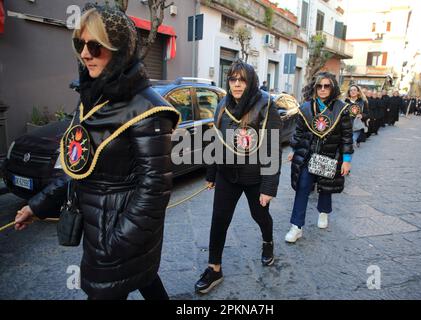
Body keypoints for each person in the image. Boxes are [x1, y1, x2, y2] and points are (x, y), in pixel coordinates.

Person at [14, 4, 180, 300]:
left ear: (119, 49)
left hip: (114, 241)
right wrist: (37, 206)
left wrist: (116, 243)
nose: (85, 53)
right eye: (80, 44)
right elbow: (80, 168)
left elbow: (155, 188)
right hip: (100, 232)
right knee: (146, 280)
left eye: (95, 45)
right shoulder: (93, 100)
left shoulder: (148, 109)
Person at [194, 60, 282, 294]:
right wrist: (211, 173)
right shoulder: (222, 104)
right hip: (227, 174)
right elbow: (216, 140)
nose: (236, 84)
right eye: (232, 79)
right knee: (219, 220)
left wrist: (268, 187)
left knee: (260, 215)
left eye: (242, 79)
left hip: (255, 177)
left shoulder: (266, 105)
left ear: (250, 81)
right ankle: (214, 268)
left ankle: (268, 242)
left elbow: (273, 149)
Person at [285, 72, 353, 243]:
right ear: (315, 88)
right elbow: (298, 132)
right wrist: (293, 149)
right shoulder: (306, 107)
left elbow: (346, 136)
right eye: (319, 86)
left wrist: (346, 160)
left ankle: (323, 212)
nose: (323, 89)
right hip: (308, 155)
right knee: (303, 187)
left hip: (328, 155)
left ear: (332, 88)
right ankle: (296, 226)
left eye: (326, 86)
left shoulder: (341, 108)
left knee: (325, 188)